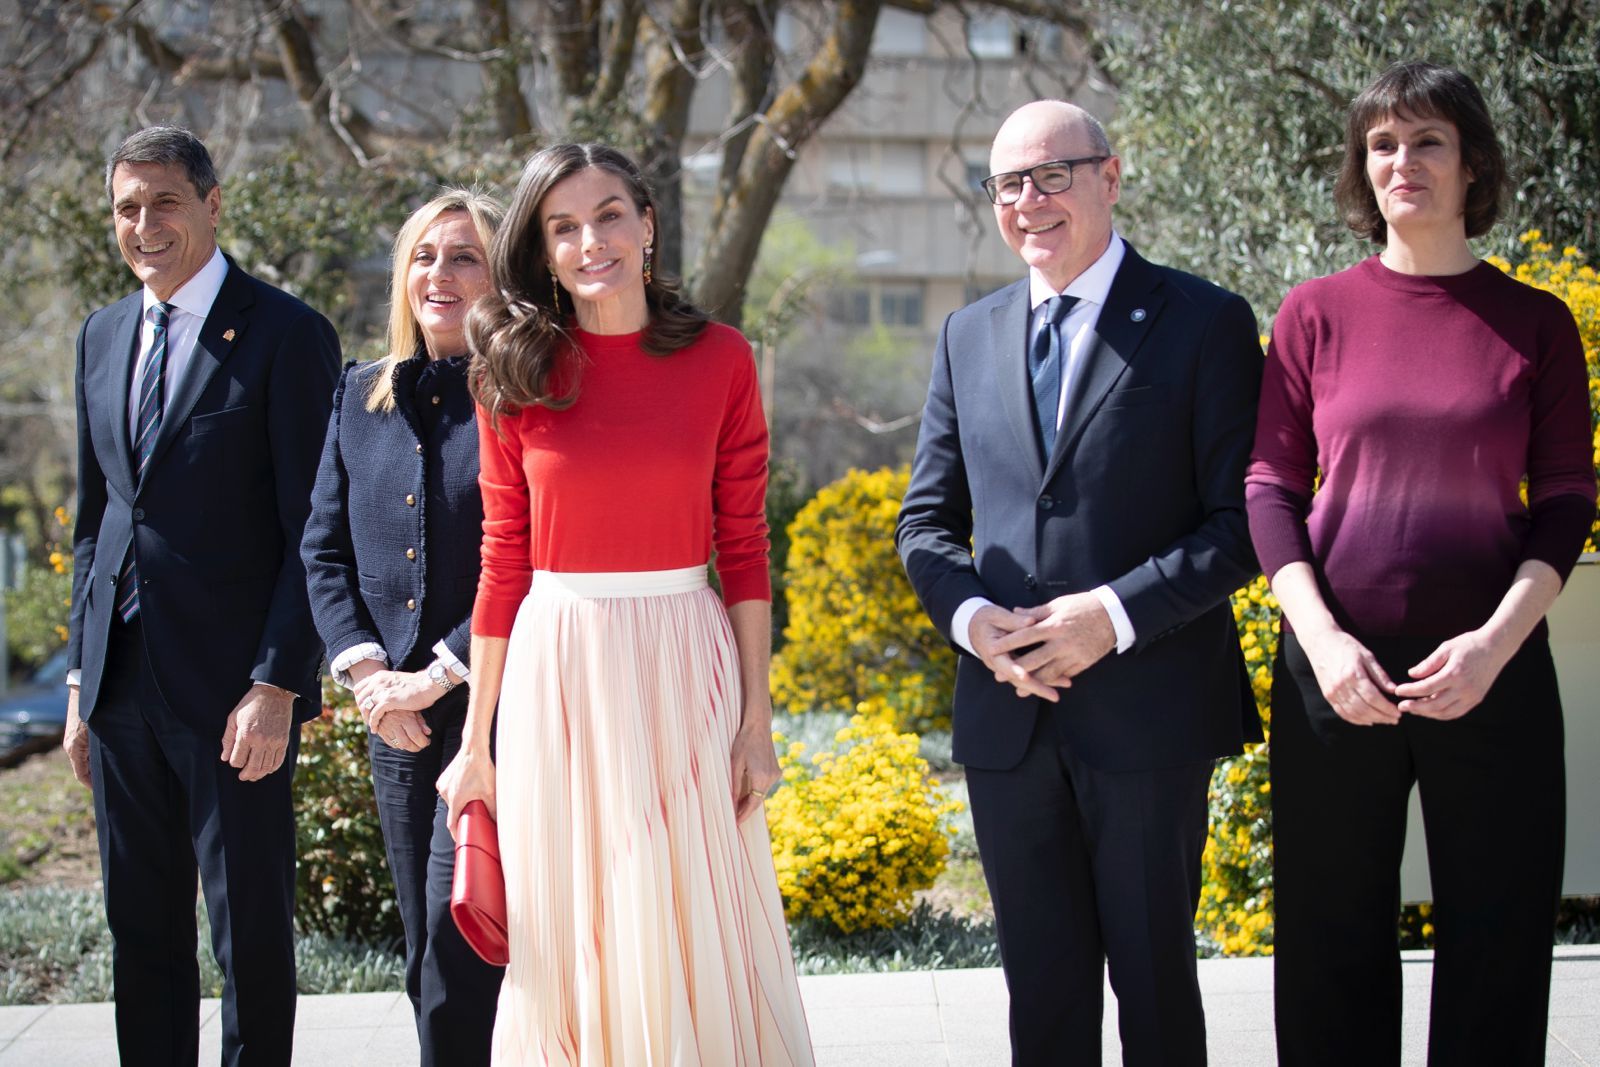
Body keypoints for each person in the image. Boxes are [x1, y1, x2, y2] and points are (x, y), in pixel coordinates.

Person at [896, 100, 1264, 1066]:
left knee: (1154, 991)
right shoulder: (965, 336)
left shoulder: (1205, 321)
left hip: (1151, 712)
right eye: (1008, 183)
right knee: (1043, 1002)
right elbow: (925, 524)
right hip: (1008, 717)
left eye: (1053, 174)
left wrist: (1111, 615)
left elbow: (1244, 526)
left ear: (1110, 174)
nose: (1029, 201)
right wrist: (976, 624)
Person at [1246, 61, 1596, 1066]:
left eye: (1428, 139)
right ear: (1364, 168)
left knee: (1498, 934)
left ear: (1470, 161)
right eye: (1383, 144)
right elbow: (1269, 488)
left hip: (1489, 667)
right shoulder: (1313, 313)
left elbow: (1566, 499)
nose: (1404, 161)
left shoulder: (1534, 323)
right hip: (1334, 670)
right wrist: (1321, 643)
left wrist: (1492, 646)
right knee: (1326, 938)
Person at [435, 142, 813, 1065]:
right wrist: (476, 742)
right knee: (575, 922)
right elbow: (502, 562)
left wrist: (756, 718)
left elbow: (746, 548)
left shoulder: (722, 359)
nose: (589, 241)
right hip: (557, 673)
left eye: (607, 215)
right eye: (562, 227)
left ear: (647, 224)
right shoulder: (511, 371)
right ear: (543, 249)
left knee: (691, 911)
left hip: (686, 657)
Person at [62, 126, 340, 1065]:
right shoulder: (102, 335)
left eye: (164, 201)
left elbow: (314, 526)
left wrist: (277, 682)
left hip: (234, 695)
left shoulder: (288, 335)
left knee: (248, 930)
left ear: (213, 205)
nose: (144, 224)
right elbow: (96, 517)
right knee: (139, 931)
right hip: (119, 688)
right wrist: (77, 685)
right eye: (126, 207)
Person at [302, 189, 506, 1064]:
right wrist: (366, 679)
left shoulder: (525, 394)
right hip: (398, 723)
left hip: (504, 711)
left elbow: (528, 558)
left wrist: (439, 672)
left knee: (463, 942)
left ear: (501, 274)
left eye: (464, 255)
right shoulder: (359, 395)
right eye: (425, 255)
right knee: (426, 955)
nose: (441, 273)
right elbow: (323, 549)